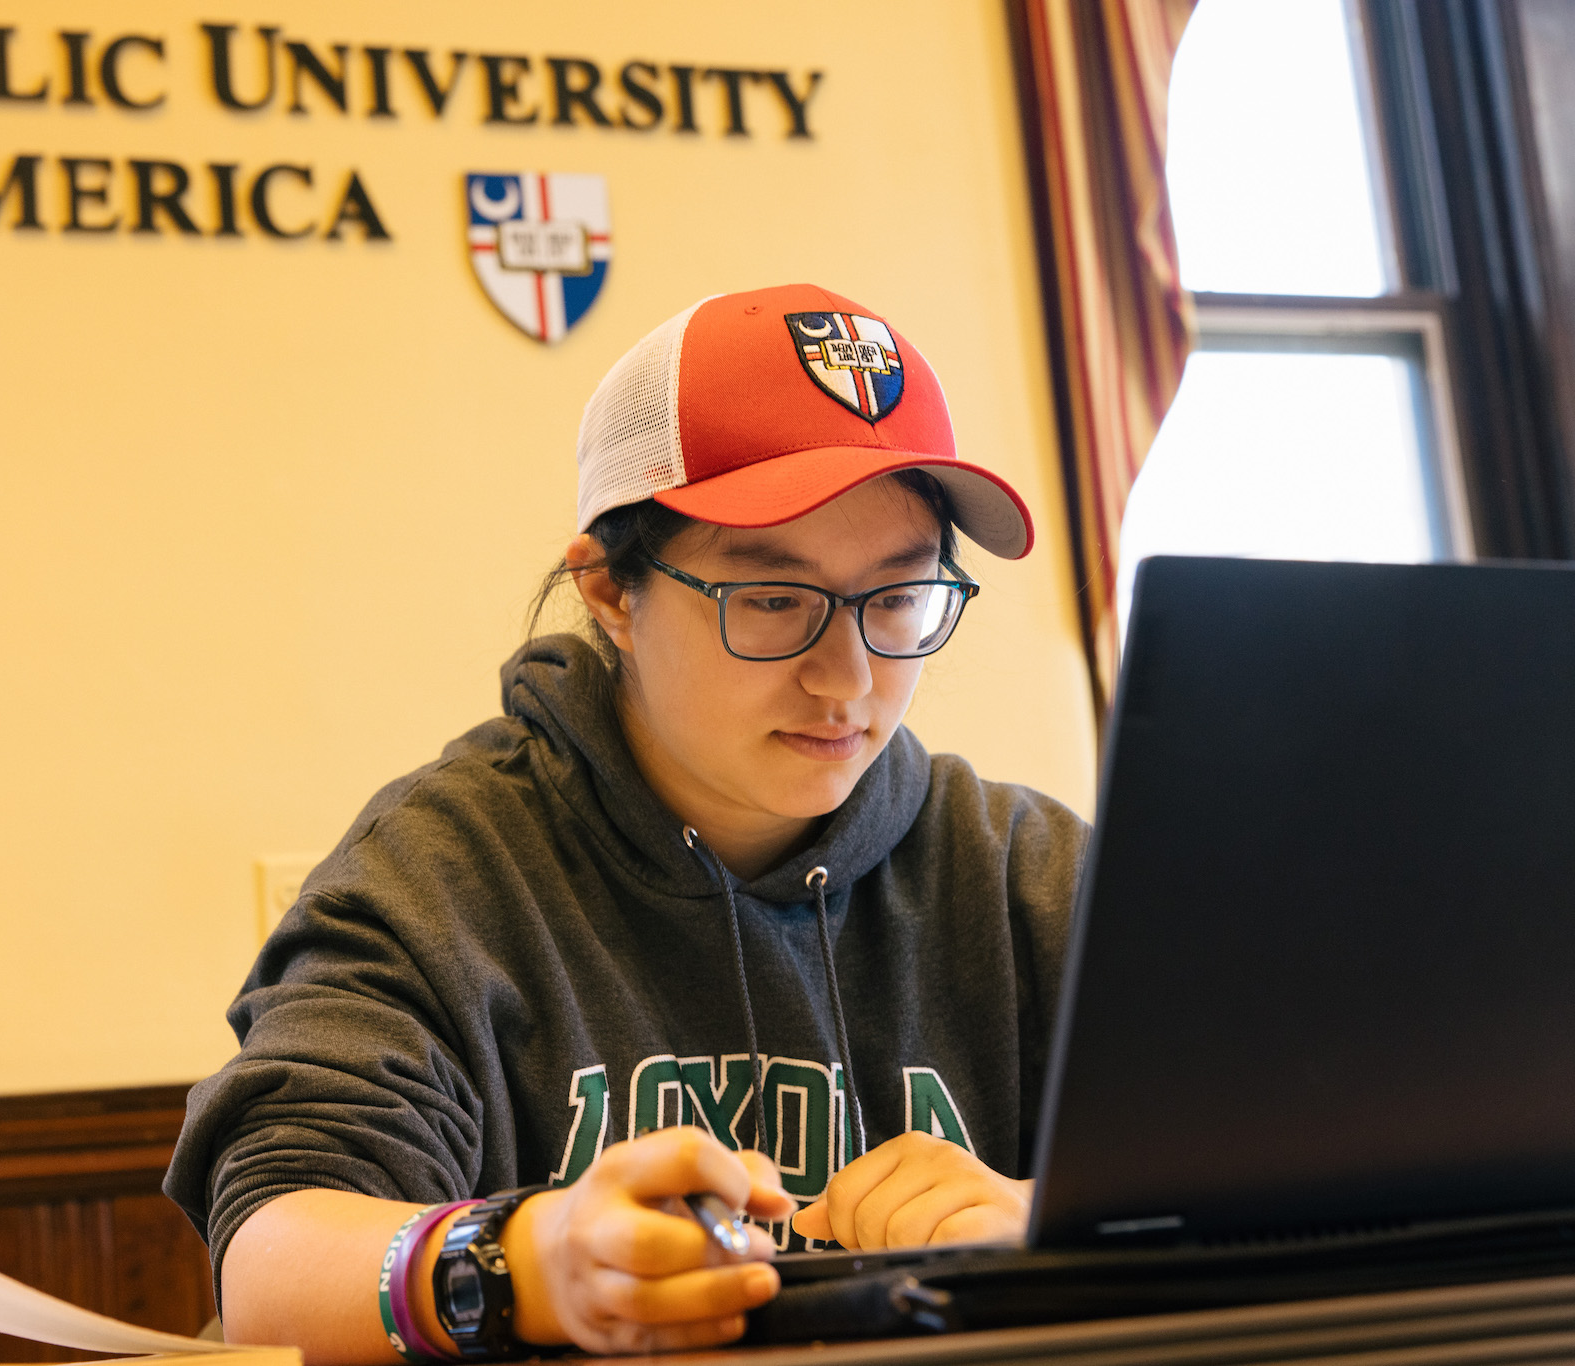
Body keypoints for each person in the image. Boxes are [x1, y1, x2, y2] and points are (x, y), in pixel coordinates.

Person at [164, 284, 1087, 1364]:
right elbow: (270, 1260)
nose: (847, 679)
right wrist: (526, 1261)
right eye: (773, 601)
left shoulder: (1033, 873)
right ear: (608, 592)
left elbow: (1280, 1191)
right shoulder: (442, 873)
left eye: (896, 599)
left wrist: (1060, 1229)